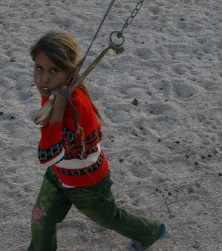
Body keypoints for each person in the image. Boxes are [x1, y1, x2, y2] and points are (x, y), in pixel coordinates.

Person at [28, 30, 167, 251]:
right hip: (59, 173)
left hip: (86, 182)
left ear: (70, 72)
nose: (44, 78)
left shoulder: (71, 105)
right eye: (39, 68)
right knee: (41, 219)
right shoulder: (56, 89)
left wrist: (59, 110)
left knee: (110, 218)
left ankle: (150, 231)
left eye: (54, 70)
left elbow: (47, 154)